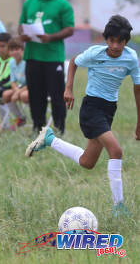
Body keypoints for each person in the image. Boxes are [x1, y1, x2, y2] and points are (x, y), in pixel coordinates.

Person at [26, 15, 140, 217]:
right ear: (106, 39)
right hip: (91, 108)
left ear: (126, 41)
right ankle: (119, 206)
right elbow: (74, 63)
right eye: (111, 40)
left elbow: (137, 89)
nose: (114, 46)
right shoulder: (95, 53)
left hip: (109, 110)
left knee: (87, 162)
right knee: (116, 150)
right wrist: (68, 88)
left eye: (119, 42)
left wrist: (139, 122)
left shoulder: (131, 58)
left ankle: (50, 139)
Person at [19, 0, 74, 134]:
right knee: (35, 96)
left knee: (57, 96)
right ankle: (39, 128)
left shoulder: (63, 5)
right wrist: (24, 35)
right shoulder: (29, 3)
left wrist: (50, 37)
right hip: (32, 55)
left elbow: (70, 29)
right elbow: (21, 25)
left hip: (52, 57)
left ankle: (59, 129)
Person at [2, 38, 28, 129]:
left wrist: (18, 92)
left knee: (24, 96)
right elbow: (13, 81)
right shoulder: (12, 62)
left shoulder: (26, 62)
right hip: (21, 87)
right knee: (6, 95)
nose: (14, 52)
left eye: (17, 49)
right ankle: (20, 118)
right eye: (12, 50)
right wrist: (17, 91)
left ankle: (38, 121)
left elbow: (32, 83)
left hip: (31, 87)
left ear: (22, 50)